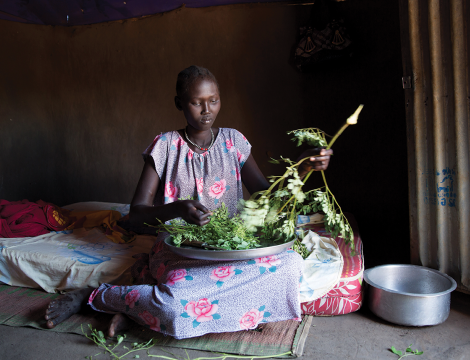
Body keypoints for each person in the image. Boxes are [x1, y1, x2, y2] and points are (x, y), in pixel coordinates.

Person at [44, 66, 333, 339]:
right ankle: (97, 296)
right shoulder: (165, 146)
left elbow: (266, 196)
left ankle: (137, 308)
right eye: (197, 103)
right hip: (179, 250)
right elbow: (134, 217)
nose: (207, 111)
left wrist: (302, 168)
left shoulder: (234, 142)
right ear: (179, 103)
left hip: (231, 248)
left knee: (291, 264)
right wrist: (178, 208)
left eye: (214, 100)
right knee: (175, 306)